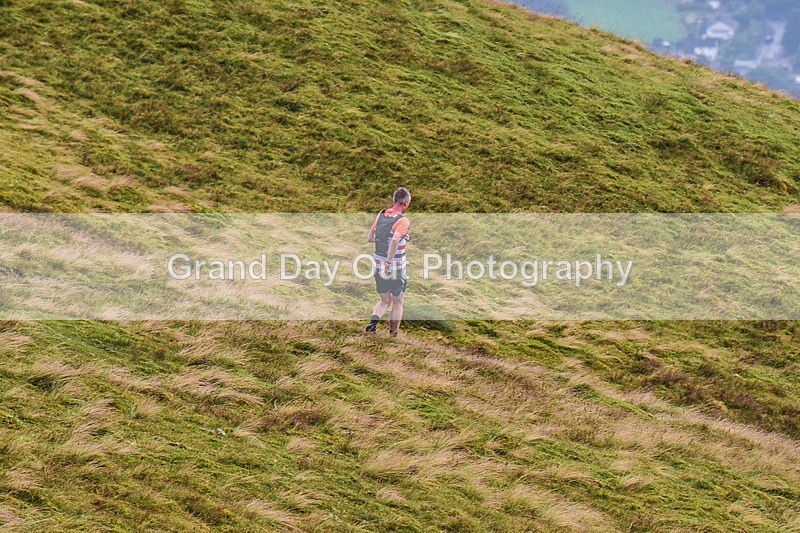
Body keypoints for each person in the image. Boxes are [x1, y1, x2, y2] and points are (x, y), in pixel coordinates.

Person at [365, 187, 411, 336]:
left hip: (378, 265)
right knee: (398, 301)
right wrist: (389, 262)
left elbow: (371, 237)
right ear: (404, 203)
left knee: (385, 300)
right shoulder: (403, 221)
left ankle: (373, 325)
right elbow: (395, 239)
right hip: (395, 268)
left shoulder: (381, 214)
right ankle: (393, 335)